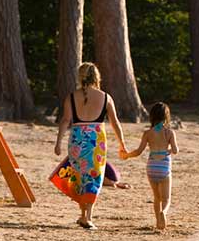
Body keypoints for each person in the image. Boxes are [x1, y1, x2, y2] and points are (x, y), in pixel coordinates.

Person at [52, 63, 129, 230]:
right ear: (97, 77)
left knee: (80, 176)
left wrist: (58, 142)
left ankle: (82, 216)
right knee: (94, 177)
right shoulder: (106, 97)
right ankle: (88, 217)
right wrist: (122, 143)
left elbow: (65, 120)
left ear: (80, 77)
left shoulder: (71, 97)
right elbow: (115, 123)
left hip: (77, 141)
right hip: (96, 142)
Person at [123, 102, 179, 231]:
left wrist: (127, 155)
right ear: (166, 117)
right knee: (166, 198)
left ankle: (157, 222)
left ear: (152, 116)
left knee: (156, 197)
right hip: (164, 167)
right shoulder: (169, 133)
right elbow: (175, 150)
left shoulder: (148, 133)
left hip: (152, 167)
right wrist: (170, 149)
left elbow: (138, 151)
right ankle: (163, 213)